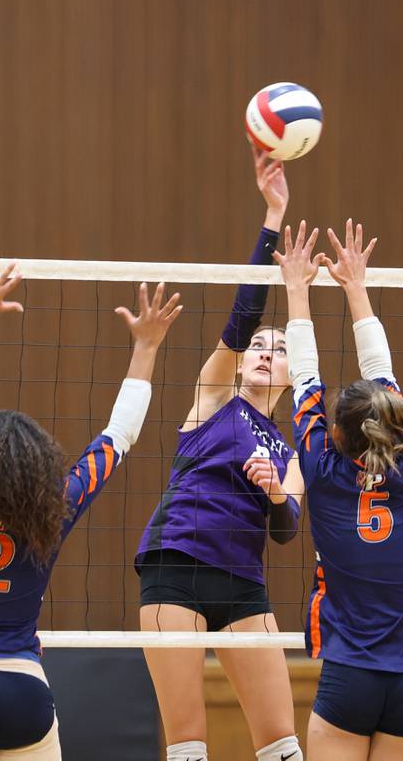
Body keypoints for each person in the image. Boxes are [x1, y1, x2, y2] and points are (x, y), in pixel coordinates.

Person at [0, 254, 181, 761]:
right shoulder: (55, 508)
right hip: (24, 690)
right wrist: (146, 347)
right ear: (37, 468)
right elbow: (118, 438)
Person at [135, 146, 305, 761]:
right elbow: (244, 312)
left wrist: (278, 491)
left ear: (294, 370)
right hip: (174, 563)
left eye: (279, 348)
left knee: (283, 746)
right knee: (187, 746)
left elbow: (287, 530)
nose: (263, 350)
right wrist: (272, 215)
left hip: (243, 582)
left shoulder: (292, 446)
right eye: (258, 345)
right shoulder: (216, 394)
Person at [276, 219, 403, 761]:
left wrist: (296, 289)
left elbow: (304, 377)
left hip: (351, 676)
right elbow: (380, 370)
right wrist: (356, 286)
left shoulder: (320, 472)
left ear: (336, 433)